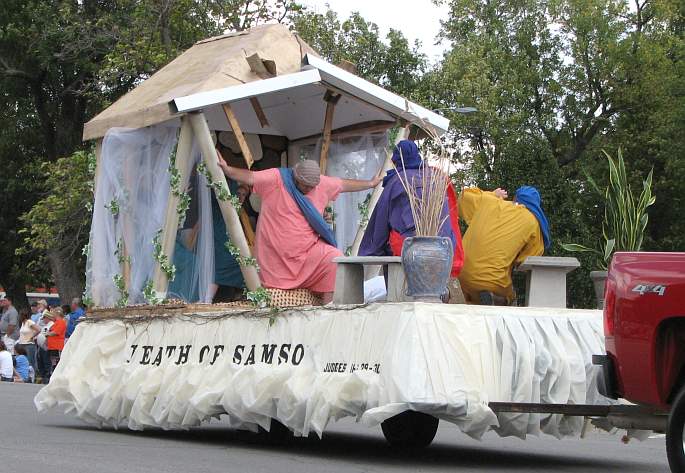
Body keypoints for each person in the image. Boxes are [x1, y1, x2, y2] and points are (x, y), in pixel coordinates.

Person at [217, 154, 381, 304]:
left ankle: (329, 307)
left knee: (335, 258)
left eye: (312, 186)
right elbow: (251, 177)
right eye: (305, 186)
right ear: (296, 178)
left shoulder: (320, 184)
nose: (310, 189)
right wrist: (227, 169)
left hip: (307, 254)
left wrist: (370, 183)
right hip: (276, 259)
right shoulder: (277, 178)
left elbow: (343, 184)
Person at [359, 140, 464, 280]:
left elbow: (379, 223)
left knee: (390, 247)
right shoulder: (437, 178)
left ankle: (397, 297)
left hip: (408, 251)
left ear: (396, 160)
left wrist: (368, 252)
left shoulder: (397, 181)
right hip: (443, 250)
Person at [458, 186, 551, 305]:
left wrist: (492, 194)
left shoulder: (489, 201)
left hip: (460, 273)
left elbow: (463, 196)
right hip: (492, 281)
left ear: (514, 198)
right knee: (511, 298)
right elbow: (526, 261)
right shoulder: (533, 221)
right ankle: (499, 300)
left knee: (470, 300)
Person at [16, 308, 39, 374]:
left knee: (30, 361)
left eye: (20, 315)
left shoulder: (29, 322)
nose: (19, 317)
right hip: (22, 344)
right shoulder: (23, 323)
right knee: (24, 360)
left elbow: (38, 329)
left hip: (29, 344)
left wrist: (32, 336)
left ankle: (32, 375)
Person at [44, 308, 66, 373]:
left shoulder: (61, 322)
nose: (52, 314)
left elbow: (56, 332)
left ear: (57, 313)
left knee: (56, 361)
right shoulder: (56, 322)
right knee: (53, 362)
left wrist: (48, 334)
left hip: (57, 346)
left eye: (53, 313)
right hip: (52, 346)